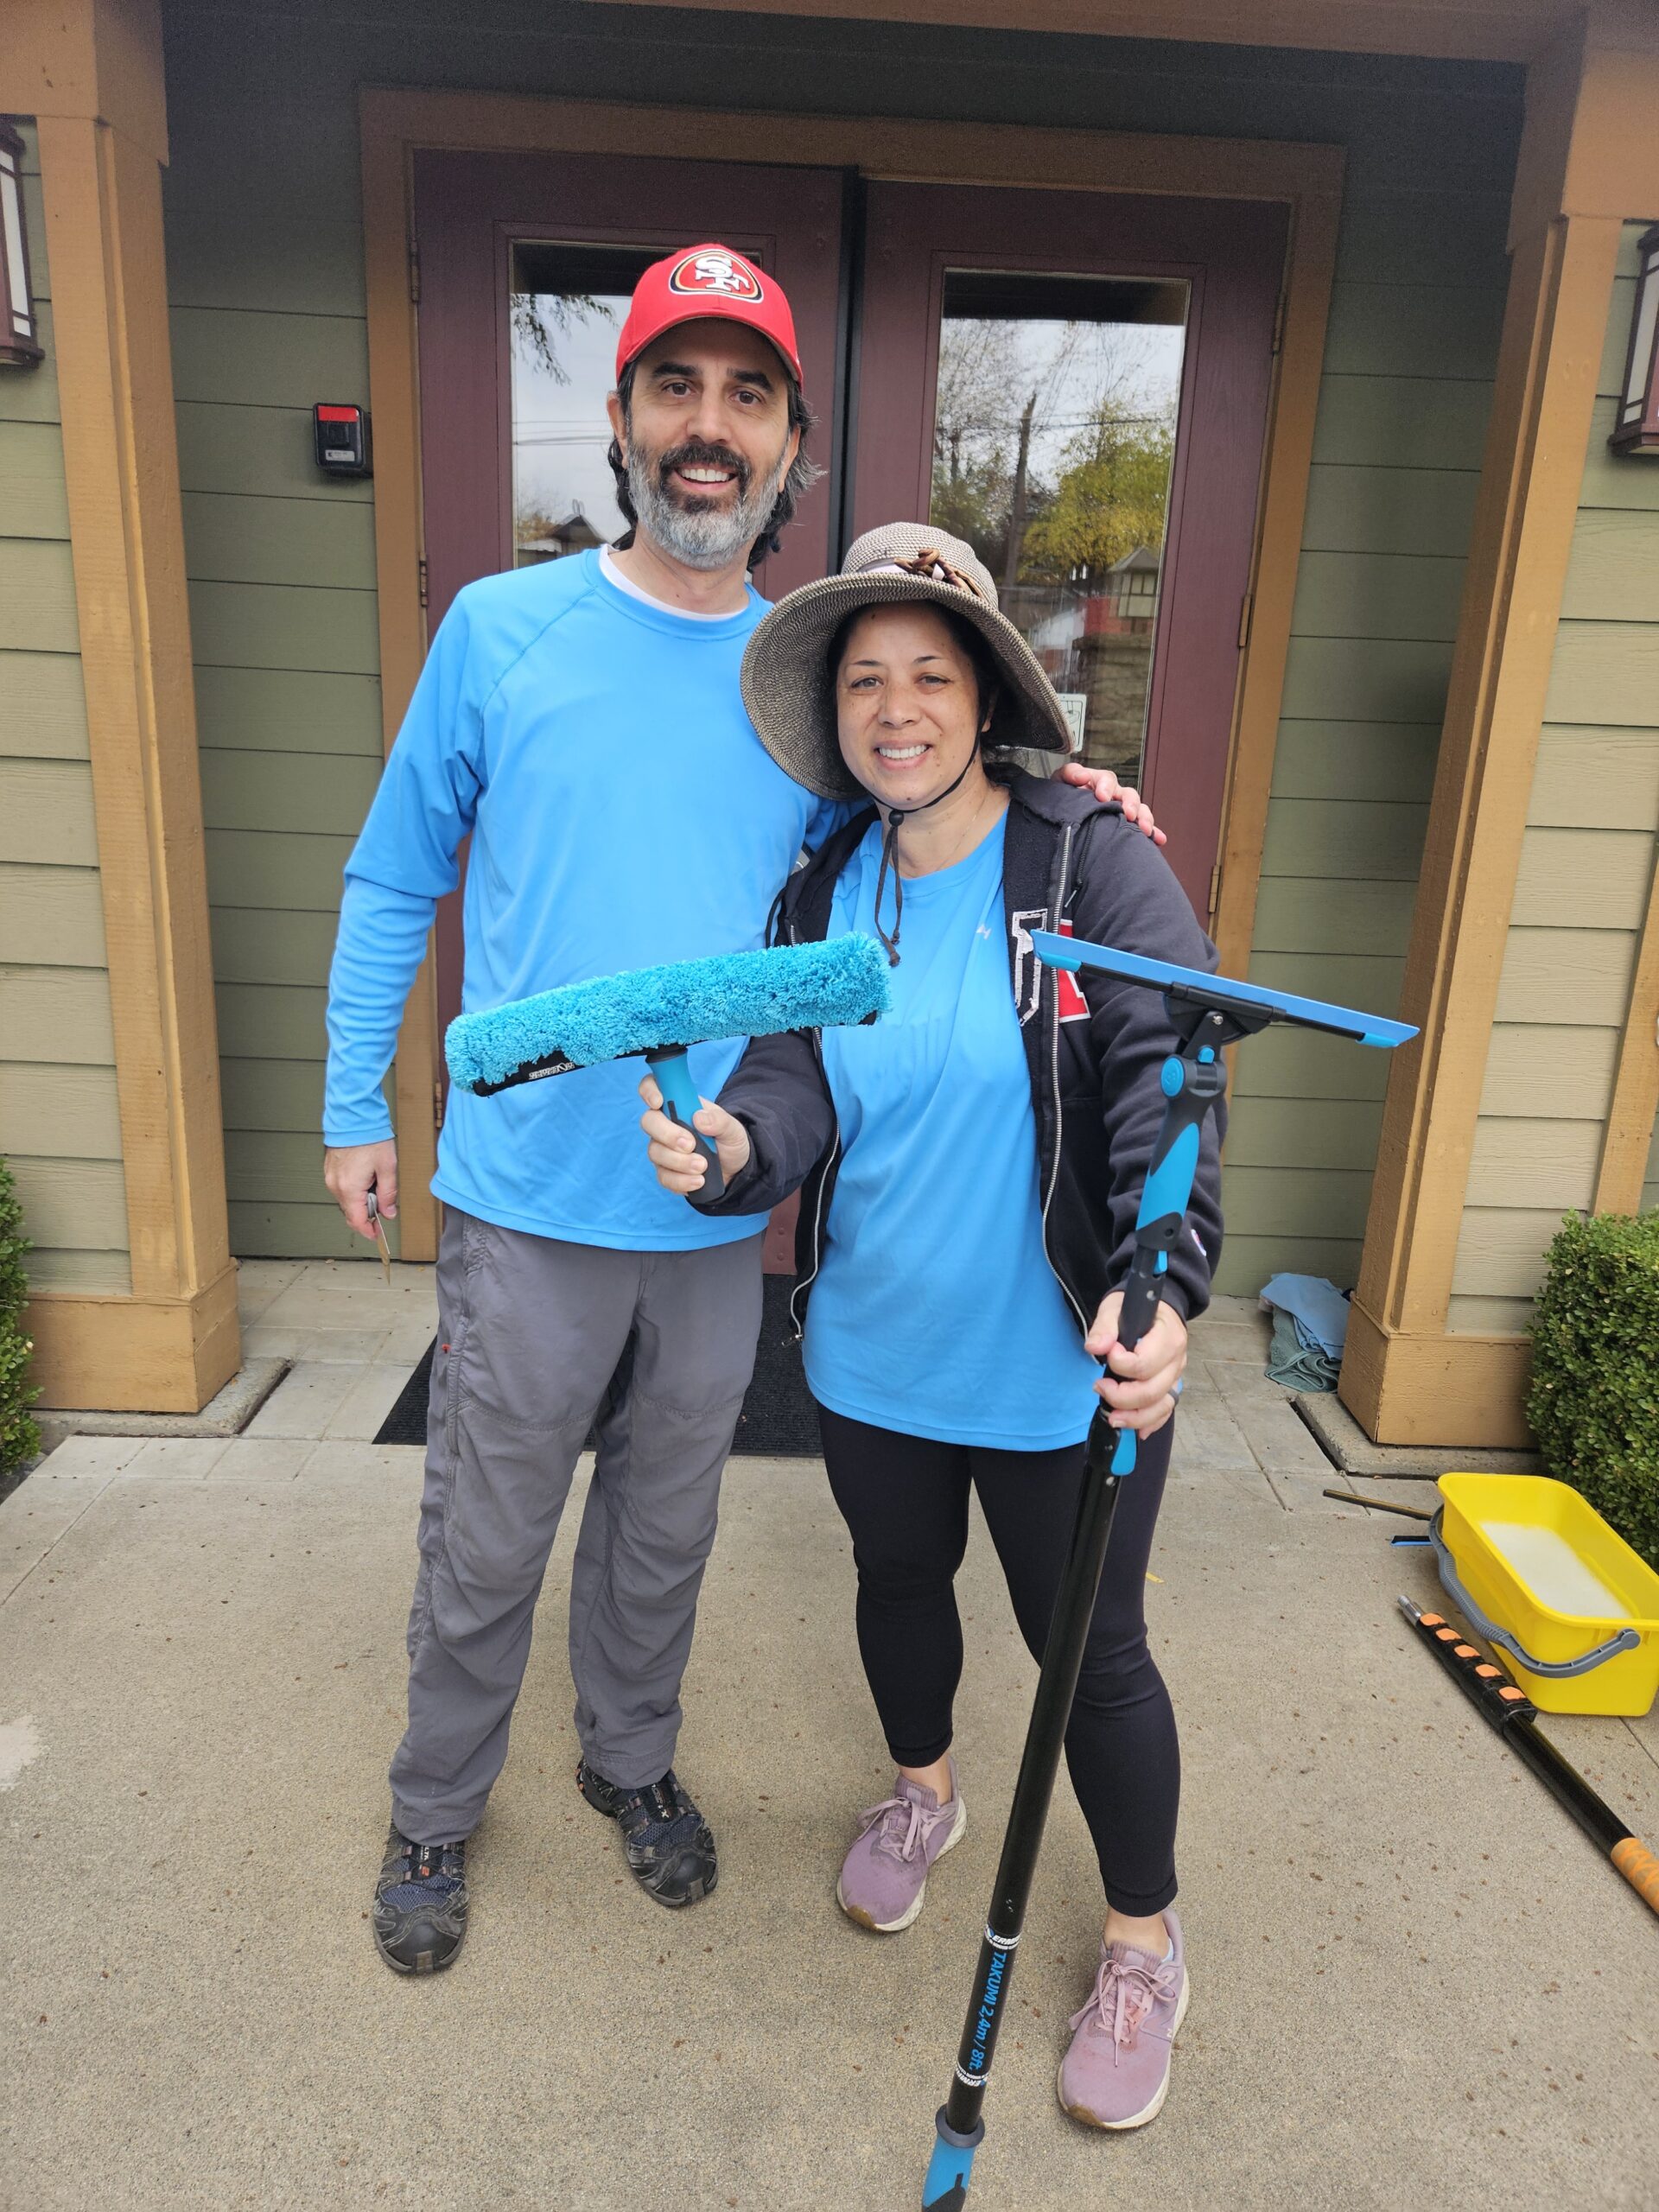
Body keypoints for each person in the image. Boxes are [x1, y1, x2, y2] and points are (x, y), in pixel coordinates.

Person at [321, 249, 1152, 1975]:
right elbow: (397, 869)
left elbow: (957, 780)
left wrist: (1072, 781)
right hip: (529, 1196)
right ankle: (433, 1799)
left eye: (748, 396)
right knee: (485, 1530)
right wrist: (354, 1104)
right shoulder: (502, 629)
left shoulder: (826, 689)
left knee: (666, 1524)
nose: (710, 431)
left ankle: (631, 1761)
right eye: (676, 389)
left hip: (717, 1215)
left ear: (790, 447)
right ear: (622, 418)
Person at [639, 523, 1220, 2133]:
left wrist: (1159, 1284)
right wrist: (734, 1155)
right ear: (838, 713)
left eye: (930, 675)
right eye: (867, 682)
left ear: (986, 697)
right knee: (897, 1586)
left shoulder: (1091, 863)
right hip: (875, 1356)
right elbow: (786, 1082)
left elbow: (1166, 1086)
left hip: (1056, 1363)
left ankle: (1141, 1938)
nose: (897, 708)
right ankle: (926, 1800)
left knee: (1091, 1662)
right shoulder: (824, 887)